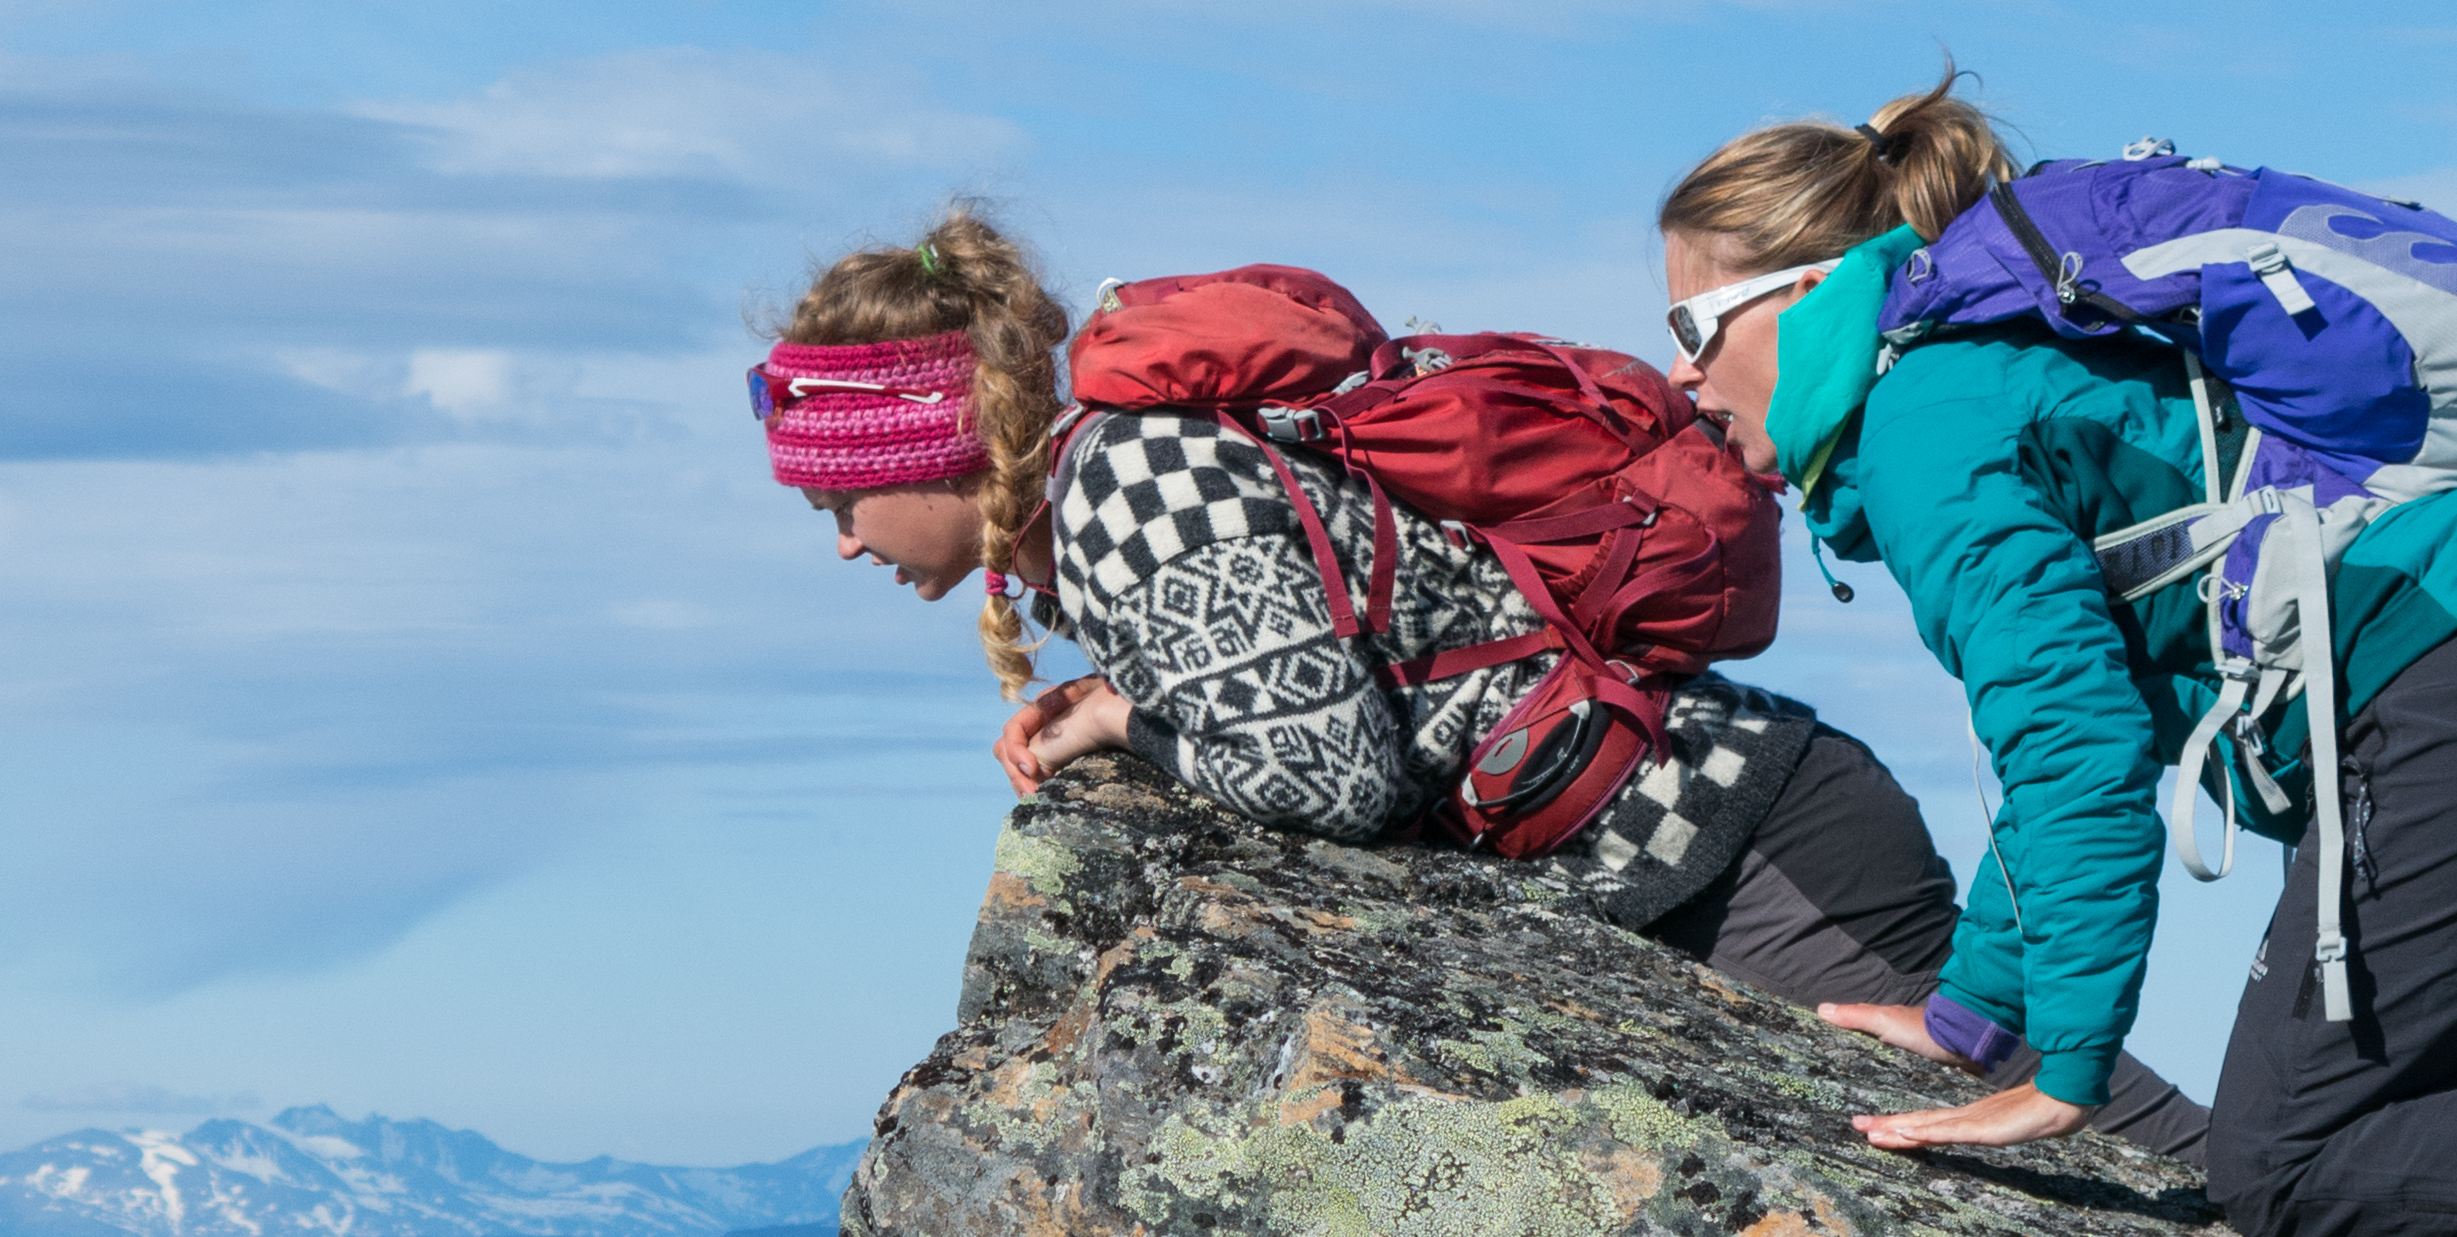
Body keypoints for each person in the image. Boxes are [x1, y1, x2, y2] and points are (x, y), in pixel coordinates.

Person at [756, 202, 2204, 1156]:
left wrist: (1134, 716)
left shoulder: (1129, 481)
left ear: (928, 450)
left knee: (2103, 1145)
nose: (838, 545)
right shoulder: (1112, 492)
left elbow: (1320, 772)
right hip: (1709, 833)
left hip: (1741, 844)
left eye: (841, 503)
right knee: (2040, 1126)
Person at [1659, 76, 2457, 1237]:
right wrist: (1979, 1015)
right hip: (2439, 660)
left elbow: (2073, 744)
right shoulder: (1978, 371)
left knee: (2292, 1168)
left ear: (1802, 295)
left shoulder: (1923, 427)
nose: (1679, 374)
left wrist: (2072, 1071)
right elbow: (2102, 723)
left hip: (2434, 680)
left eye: (1690, 326)